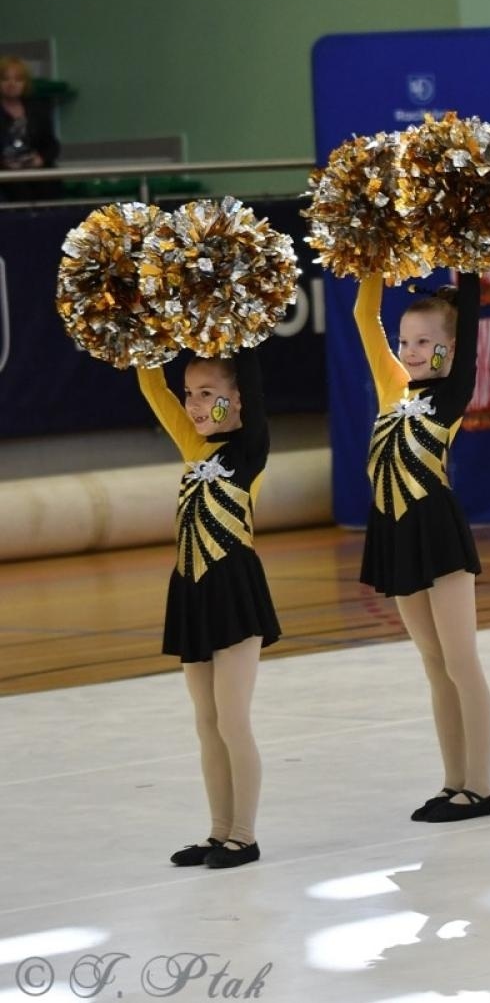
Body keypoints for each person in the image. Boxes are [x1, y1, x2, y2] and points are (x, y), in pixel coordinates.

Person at [355, 274, 490, 822]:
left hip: (437, 531)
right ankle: (452, 780)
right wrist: (369, 260)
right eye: (405, 341)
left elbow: (473, 323)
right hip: (395, 534)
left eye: (422, 342)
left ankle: (480, 788)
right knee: (435, 665)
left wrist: (470, 262)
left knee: (462, 662)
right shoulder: (394, 389)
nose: (410, 352)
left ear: (449, 348)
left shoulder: (450, 393)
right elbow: (364, 320)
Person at [136, 348, 278, 869]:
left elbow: (256, 387)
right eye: (191, 394)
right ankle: (219, 832)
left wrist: (235, 328)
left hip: (233, 588)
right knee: (207, 720)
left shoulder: (251, 449)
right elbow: (153, 388)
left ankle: (245, 834)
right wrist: (142, 331)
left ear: (237, 401)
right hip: (191, 590)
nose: (194, 405)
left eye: (208, 394)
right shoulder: (193, 447)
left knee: (234, 719)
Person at [0, 56, 61, 202]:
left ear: (25, 84)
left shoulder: (37, 110)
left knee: (50, 187)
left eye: (18, 80)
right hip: (5, 175)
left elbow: (52, 145)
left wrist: (40, 159)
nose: (11, 84)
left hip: (36, 171)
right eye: (5, 79)